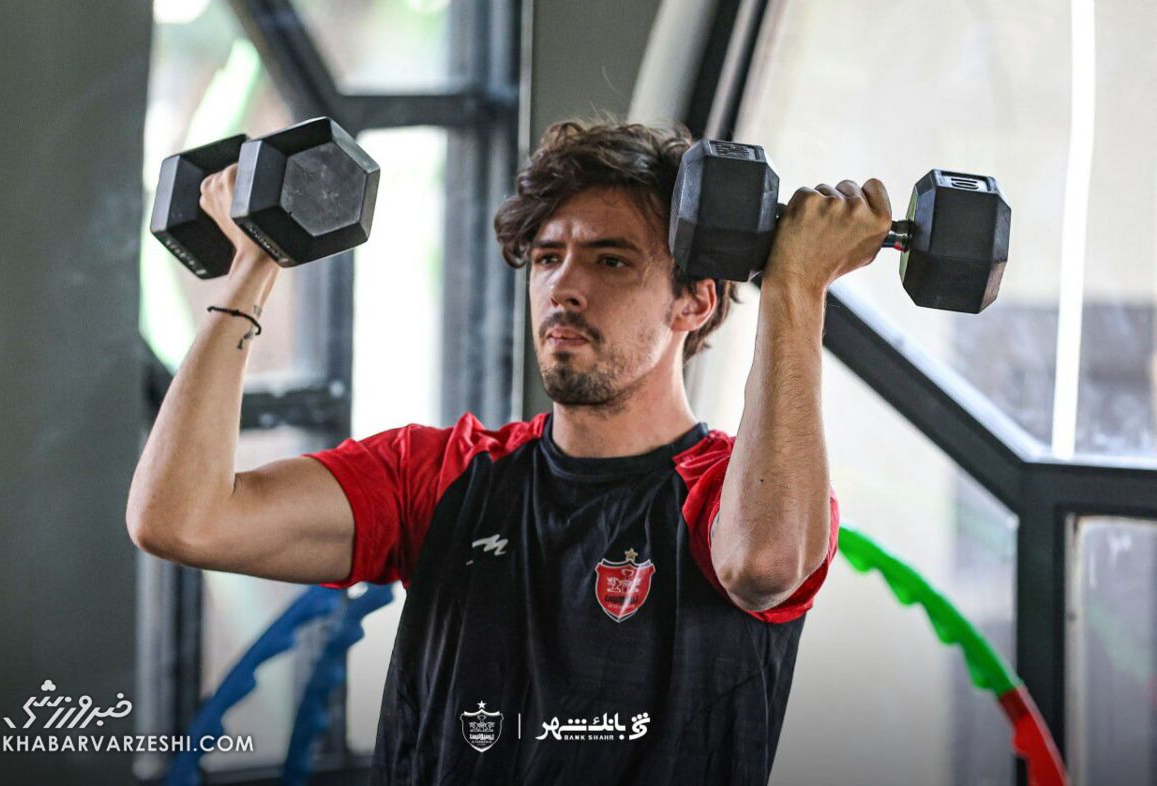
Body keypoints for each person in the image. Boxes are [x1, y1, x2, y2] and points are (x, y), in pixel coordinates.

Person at [127, 119, 893, 784]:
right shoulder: (441, 476)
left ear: (695, 300)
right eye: (547, 257)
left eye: (611, 260)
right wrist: (253, 266)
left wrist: (796, 289)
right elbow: (182, 520)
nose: (564, 287)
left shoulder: (726, 493)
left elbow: (762, 567)